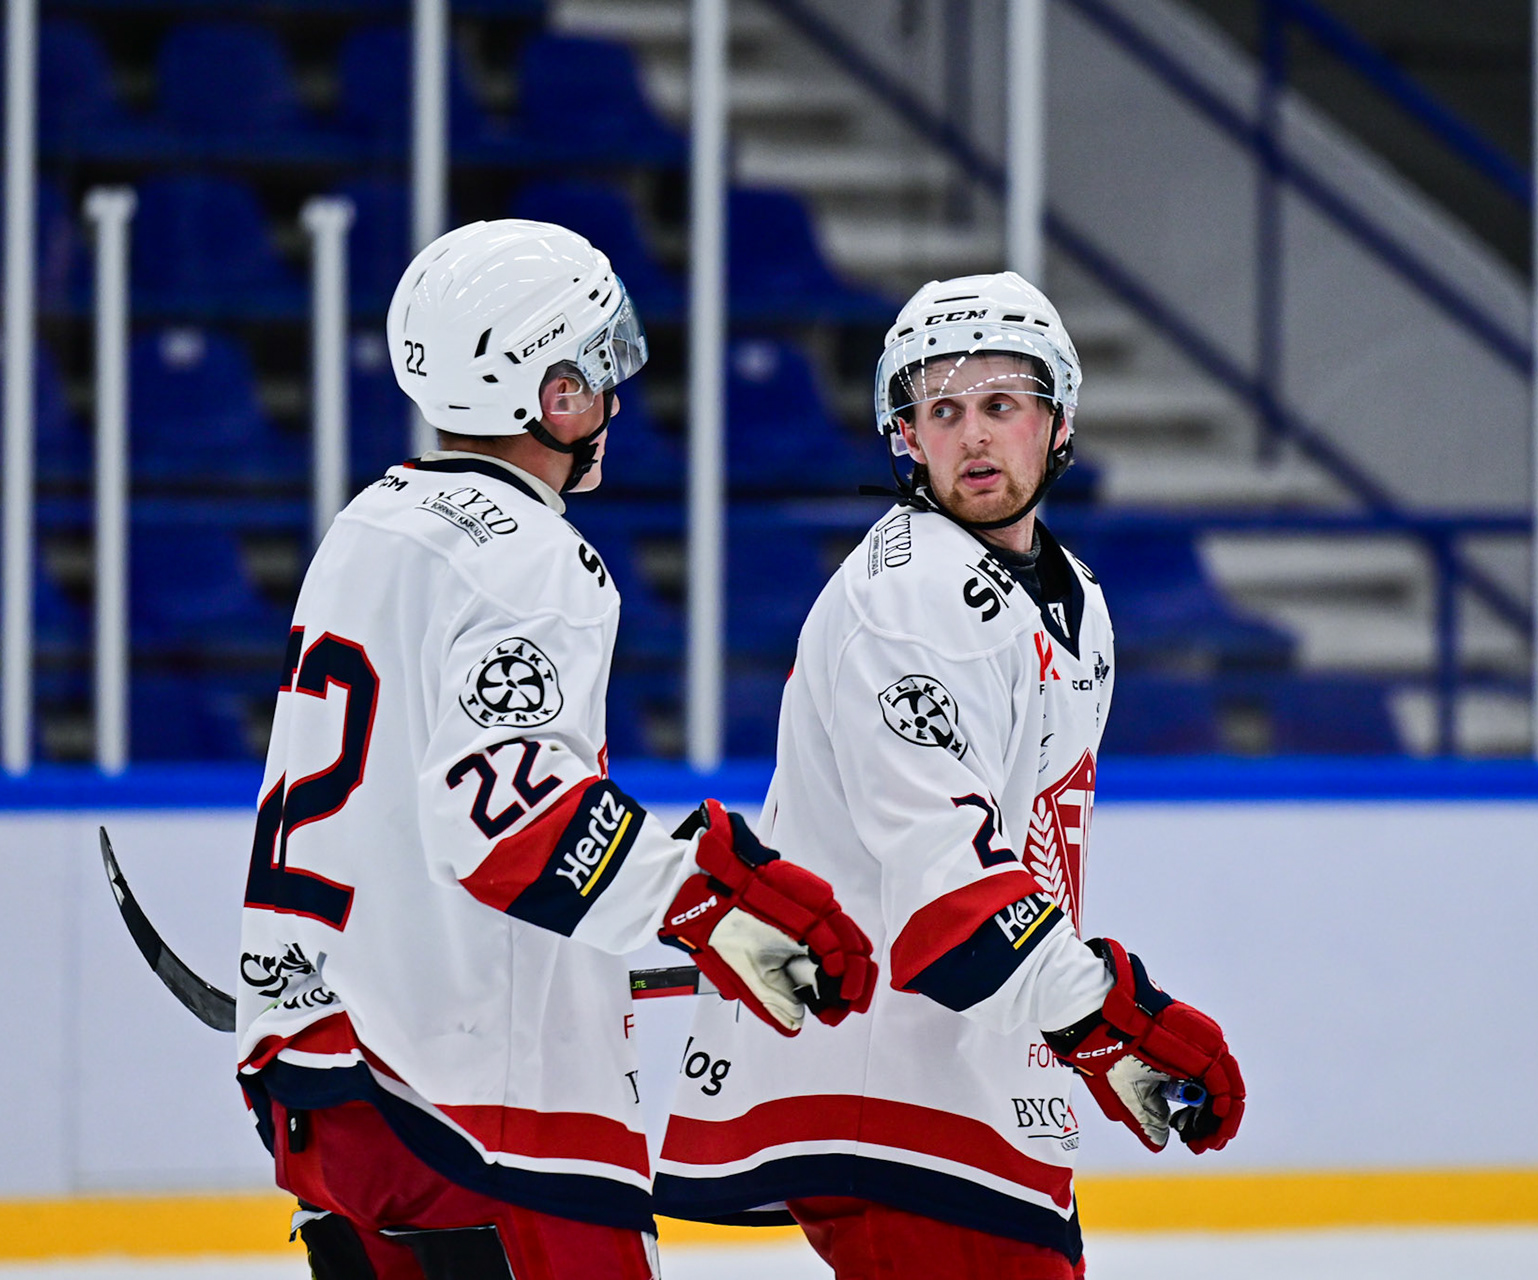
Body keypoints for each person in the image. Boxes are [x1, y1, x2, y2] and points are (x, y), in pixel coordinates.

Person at [235, 220, 876, 1280]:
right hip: (481, 1116)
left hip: (321, 1079)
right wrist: (703, 899)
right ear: (550, 390)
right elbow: (504, 816)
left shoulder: (369, 523)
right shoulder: (532, 557)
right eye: (595, 368)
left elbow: (408, 817)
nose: (614, 398)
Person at [653, 272, 1246, 1278]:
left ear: (1058, 422)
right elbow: (950, 891)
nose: (972, 435)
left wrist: (1077, 1028)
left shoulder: (1073, 598)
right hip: (891, 1091)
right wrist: (1106, 1014)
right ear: (908, 437)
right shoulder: (912, 597)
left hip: (969, 1075)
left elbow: (1019, 861)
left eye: (1001, 404)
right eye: (942, 410)